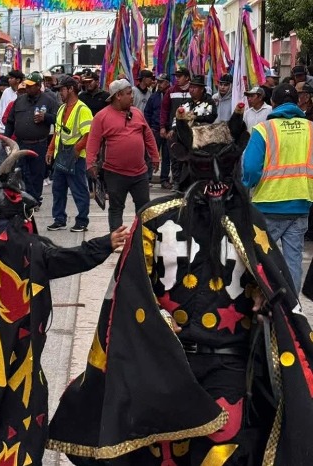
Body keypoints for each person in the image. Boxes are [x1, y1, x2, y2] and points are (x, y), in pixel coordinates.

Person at [48, 103, 313, 465]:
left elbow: (272, 285)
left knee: (221, 452)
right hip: (169, 364)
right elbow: (130, 293)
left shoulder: (245, 221)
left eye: (223, 166)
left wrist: (262, 298)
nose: (216, 180)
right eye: (208, 167)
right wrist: (157, 316)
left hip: (224, 366)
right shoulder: (158, 219)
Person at [0, 134, 128, 465]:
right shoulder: (14, 244)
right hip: (5, 344)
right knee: (11, 403)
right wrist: (104, 244)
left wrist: (102, 244)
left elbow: (51, 256)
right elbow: (59, 259)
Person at [242, 83, 313, 292]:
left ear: (272, 103)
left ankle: (265, 302)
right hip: (301, 203)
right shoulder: (310, 128)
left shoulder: (264, 129)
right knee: (293, 260)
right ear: (297, 102)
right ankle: (292, 306)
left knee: (263, 260)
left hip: (267, 205)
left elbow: (250, 168)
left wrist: (246, 187)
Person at [86, 79, 160, 232]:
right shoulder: (101, 117)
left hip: (140, 173)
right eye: (129, 93)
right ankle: (116, 240)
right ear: (118, 96)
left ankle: (142, 238)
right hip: (115, 174)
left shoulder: (137, 113)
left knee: (144, 208)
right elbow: (93, 141)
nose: (132, 96)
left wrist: (155, 156)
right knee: (116, 208)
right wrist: (90, 163)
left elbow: (148, 137)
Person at [46, 75, 92, 232]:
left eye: (62, 90)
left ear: (71, 89)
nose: (60, 93)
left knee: (79, 190)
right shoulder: (61, 109)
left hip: (76, 158)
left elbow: (88, 134)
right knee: (58, 189)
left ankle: (82, 221)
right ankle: (59, 219)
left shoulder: (82, 109)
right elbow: (57, 132)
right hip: (61, 155)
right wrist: (51, 149)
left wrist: (77, 149)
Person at [5, 71, 58, 205]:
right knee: (22, 172)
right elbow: (10, 121)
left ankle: (35, 200)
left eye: (30, 86)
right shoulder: (19, 100)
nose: (27, 88)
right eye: (26, 85)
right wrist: (7, 139)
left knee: (37, 174)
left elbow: (58, 119)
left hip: (39, 144)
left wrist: (45, 117)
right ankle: (26, 198)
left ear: (38, 86)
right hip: (21, 144)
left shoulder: (49, 101)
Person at [160, 67, 191, 190]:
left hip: (189, 131)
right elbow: (164, 110)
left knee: (188, 157)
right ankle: (177, 181)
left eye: (180, 76)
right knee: (175, 156)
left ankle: (187, 182)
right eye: (176, 76)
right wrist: (163, 127)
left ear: (187, 77)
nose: (177, 79)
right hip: (173, 130)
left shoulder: (193, 90)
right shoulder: (171, 91)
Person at [144, 73, 171, 188]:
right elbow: (147, 113)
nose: (159, 84)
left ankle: (164, 179)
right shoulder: (154, 97)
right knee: (151, 155)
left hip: (168, 131)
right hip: (155, 129)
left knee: (167, 156)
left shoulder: (172, 96)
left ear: (167, 83)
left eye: (161, 82)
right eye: (158, 82)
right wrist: (149, 127)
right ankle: (148, 178)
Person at [0, 70, 24, 167]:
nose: (9, 80)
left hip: (16, 131)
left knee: (13, 155)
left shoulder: (23, 92)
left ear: (18, 80)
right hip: (3, 129)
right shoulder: (6, 92)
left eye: (11, 78)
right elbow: (0, 108)